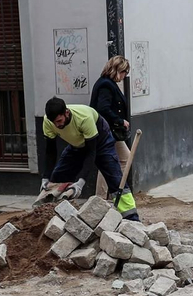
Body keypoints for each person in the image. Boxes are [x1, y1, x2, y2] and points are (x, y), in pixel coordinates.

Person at [42, 96, 122, 200]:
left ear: (66, 113)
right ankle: (56, 212)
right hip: (77, 143)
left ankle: (130, 214)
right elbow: (50, 151)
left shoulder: (84, 118)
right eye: (54, 122)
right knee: (58, 177)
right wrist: (46, 177)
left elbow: (91, 152)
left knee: (114, 179)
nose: (57, 125)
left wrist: (80, 182)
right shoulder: (48, 122)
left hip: (101, 141)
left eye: (59, 121)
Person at [90, 56, 133, 199]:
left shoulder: (107, 83)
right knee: (110, 162)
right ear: (116, 70)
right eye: (123, 72)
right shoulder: (106, 85)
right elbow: (103, 108)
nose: (124, 76)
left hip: (109, 131)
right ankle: (104, 196)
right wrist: (120, 121)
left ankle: (109, 194)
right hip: (106, 130)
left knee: (122, 159)